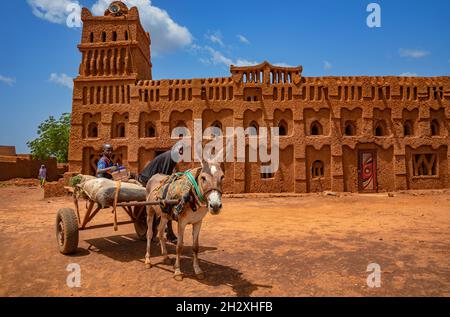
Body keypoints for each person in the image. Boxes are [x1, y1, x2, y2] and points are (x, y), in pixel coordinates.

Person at [138, 145, 184, 244]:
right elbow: (164, 177)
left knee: (167, 204)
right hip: (147, 180)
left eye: (182, 153)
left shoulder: (172, 158)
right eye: (179, 152)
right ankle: (169, 234)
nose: (180, 155)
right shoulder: (169, 157)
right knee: (166, 204)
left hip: (154, 179)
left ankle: (167, 232)